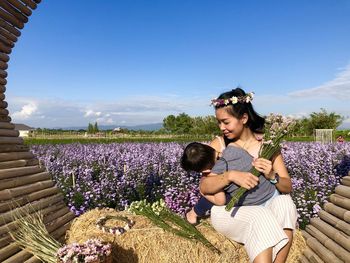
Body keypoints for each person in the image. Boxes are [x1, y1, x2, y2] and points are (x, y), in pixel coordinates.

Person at [200, 88, 298, 263]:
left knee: (285, 203)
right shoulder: (219, 145)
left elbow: (287, 187)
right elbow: (204, 186)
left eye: (226, 122)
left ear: (243, 118)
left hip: (265, 205)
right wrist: (230, 175)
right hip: (228, 211)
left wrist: (272, 175)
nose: (221, 128)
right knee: (259, 215)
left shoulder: (267, 145)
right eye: (219, 122)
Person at [181, 141, 279, 225]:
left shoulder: (214, 174)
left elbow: (221, 201)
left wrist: (204, 193)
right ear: (209, 147)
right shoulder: (233, 145)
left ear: (205, 170)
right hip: (273, 193)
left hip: (257, 206)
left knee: (212, 193)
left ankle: (192, 215)